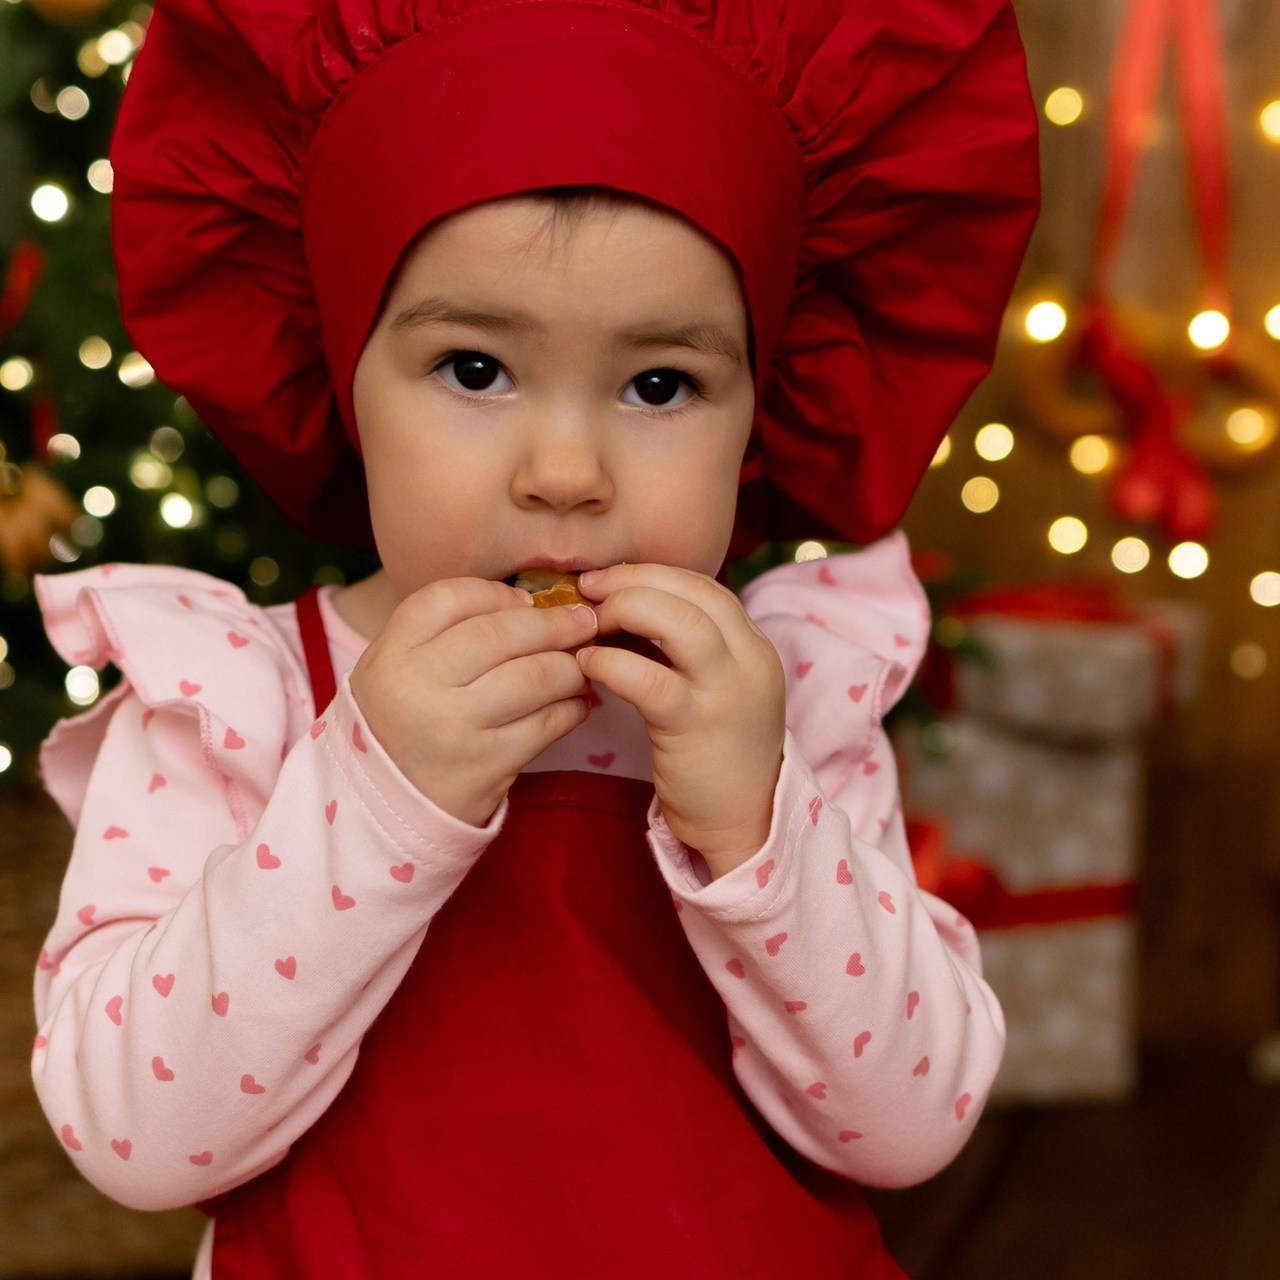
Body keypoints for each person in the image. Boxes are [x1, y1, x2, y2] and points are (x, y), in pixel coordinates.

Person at [30, 1, 1039, 1275]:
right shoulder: (235, 695)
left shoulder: (785, 699)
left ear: (758, 409)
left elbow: (907, 1123)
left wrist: (756, 824)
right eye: (473, 368)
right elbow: (136, 1138)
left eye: (659, 384)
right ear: (343, 372)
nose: (566, 471)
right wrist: (373, 793)